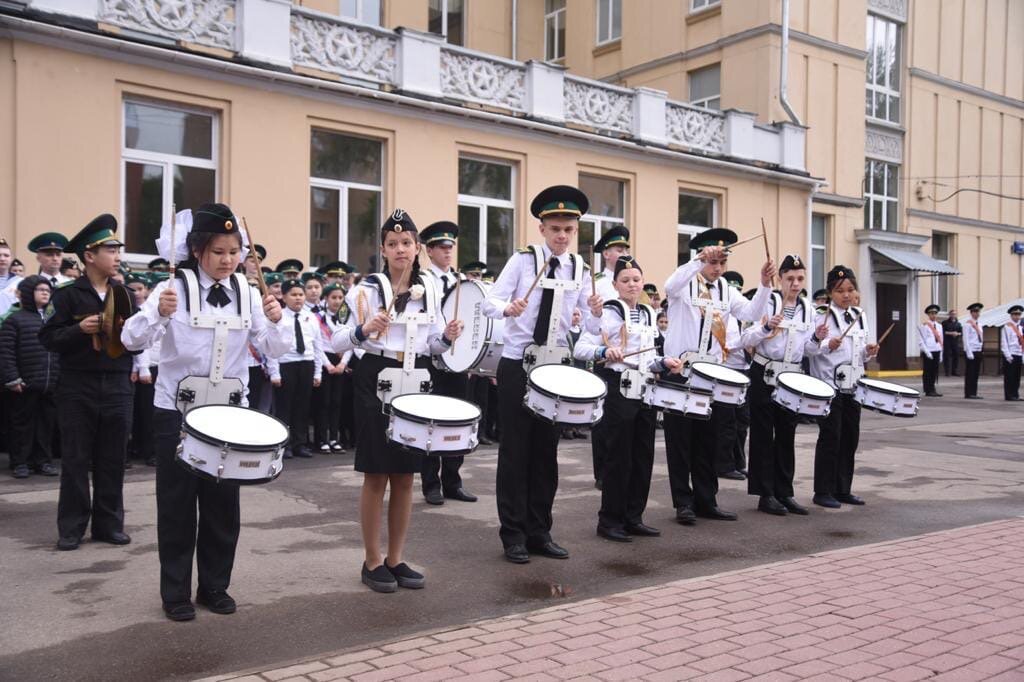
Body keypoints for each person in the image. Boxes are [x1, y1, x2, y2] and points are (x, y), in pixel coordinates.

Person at [121, 202, 289, 621]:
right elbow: (130, 339)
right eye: (219, 252)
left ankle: (215, 585)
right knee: (177, 506)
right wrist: (159, 314)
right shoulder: (172, 288)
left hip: (228, 415)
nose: (228, 260)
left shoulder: (249, 294)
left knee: (222, 505)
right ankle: (174, 592)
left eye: (234, 252)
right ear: (197, 251)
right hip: (176, 413)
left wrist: (276, 320)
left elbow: (274, 350)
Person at [330, 209, 462, 593]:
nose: (401, 249)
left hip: (417, 376)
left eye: (407, 243)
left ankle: (396, 558)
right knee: (377, 473)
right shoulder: (366, 289)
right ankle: (372, 560)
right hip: (376, 378)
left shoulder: (432, 288)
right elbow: (335, 341)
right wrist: (363, 329)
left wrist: (449, 337)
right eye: (393, 244)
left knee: (406, 475)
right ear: (383, 249)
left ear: (417, 247)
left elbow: (434, 344)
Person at [481, 185, 603, 564]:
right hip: (519, 364)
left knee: (546, 453)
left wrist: (596, 308)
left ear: (576, 231)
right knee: (516, 452)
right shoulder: (523, 261)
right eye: (555, 228)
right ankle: (513, 535)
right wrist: (508, 308)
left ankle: (540, 531)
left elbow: (591, 320)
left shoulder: (580, 268)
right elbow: (489, 302)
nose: (562, 236)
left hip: (556, 367)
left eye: (568, 229)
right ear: (542, 229)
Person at [661, 229, 774, 525]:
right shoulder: (685, 282)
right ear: (701, 257)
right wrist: (697, 262)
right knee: (680, 442)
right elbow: (670, 286)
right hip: (681, 372)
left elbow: (750, 311)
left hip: (712, 376)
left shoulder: (725, 288)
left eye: (722, 261)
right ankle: (682, 503)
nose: (718, 267)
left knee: (708, 442)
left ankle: (706, 500)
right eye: (714, 261)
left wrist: (763, 285)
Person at [39, 215, 136, 551]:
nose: (118, 255)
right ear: (89, 255)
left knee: (113, 458)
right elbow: (48, 337)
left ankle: (109, 525)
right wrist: (78, 330)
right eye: (110, 249)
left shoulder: (123, 294)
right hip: (77, 386)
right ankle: (72, 527)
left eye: (117, 249)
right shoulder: (66, 295)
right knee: (77, 459)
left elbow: (136, 338)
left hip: (117, 383)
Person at [575, 255, 677, 542]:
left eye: (636, 279)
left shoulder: (646, 313)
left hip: (644, 389)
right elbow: (582, 348)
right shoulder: (606, 314)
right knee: (618, 458)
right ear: (615, 284)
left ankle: (634, 517)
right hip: (618, 388)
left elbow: (650, 357)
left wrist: (665, 362)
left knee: (642, 456)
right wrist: (603, 353)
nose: (632, 285)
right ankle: (609, 521)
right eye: (625, 280)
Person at [741, 255, 823, 516]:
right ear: (780, 279)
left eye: (800, 279)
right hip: (764, 372)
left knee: (787, 434)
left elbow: (807, 349)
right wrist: (766, 327)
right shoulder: (768, 301)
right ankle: (765, 494)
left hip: (791, 377)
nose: (795, 284)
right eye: (790, 279)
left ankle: (785, 492)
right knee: (764, 436)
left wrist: (818, 339)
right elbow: (746, 338)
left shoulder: (808, 309)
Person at [807, 266, 878, 509]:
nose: (845, 295)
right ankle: (823, 490)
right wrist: (827, 344)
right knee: (831, 437)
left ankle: (843, 488)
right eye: (839, 291)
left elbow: (859, 353)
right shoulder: (820, 314)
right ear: (830, 293)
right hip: (829, 385)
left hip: (853, 385)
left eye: (850, 290)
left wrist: (868, 352)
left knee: (850, 437)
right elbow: (809, 349)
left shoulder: (859, 315)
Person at [419, 221, 477, 505]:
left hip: (457, 361)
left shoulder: (460, 281)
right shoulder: (422, 282)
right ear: (429, 251)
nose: (447, 252)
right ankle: (431, 483)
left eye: (450, 247)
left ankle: (453, 481)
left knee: (457, 421)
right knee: (431, 422)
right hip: (431, 360)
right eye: (441, 247)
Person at [0, 276, 60, 478]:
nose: (45, 293)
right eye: (40, 289)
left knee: (45, 425)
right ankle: (20, 462)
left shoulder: (53, 320)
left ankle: (42, 461)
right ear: (27, 293)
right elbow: (6, 352)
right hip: (24, 384)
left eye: (47, 290)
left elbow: (59, 350)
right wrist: (13, 378)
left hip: (49, 384)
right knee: (22, 425)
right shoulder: (15, 319)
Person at [268, 279, 322, 458]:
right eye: (293, 294)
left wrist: (318, 372)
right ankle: (285, 444)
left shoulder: (311, 317)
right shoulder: (279, 316)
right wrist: (274, 372)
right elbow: (271, 347)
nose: (298, 298)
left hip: (306, 364)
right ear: (284, 297)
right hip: (286, 364)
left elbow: (317, 346)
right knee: (285, 407)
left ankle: (300, 443)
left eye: (300, 294)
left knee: (302, 406)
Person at [313, 282, 350, 453]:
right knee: (323, 403)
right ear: (326, 299)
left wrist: (343, 364)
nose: (337, 301)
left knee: (337, 402)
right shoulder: (318, 317)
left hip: (341, 360)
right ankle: (322, 439)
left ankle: (334, 438)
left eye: (340, 298)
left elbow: (352, 343)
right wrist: (327, 365)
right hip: (324, 360)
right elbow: (317, 343)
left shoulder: (347, 317)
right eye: (333, 297)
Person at [126, 274, 158, 467]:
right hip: (136, 368)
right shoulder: (133, 310)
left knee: (149, 413)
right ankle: (136, 446)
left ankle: (150, 450)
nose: (136, 293)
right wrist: (139, 366)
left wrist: (144, 367)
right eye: (132, 289)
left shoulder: (151, 309)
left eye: (139, 288)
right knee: (136, 412)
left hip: (153, 366)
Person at [592, 226, 630, 302]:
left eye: (626, 251)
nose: (626, 255)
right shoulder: (597, 283)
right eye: (620, 251)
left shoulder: (632, 283)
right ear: (606, 254)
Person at [918, 304, 944, 397]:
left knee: (934, 371)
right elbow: (921, 340)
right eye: (931, 313)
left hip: (937, 350)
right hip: (929, 351)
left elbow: (941, 340)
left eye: (935, 313)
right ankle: (928, 389)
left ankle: (933, 388)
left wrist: (941, 352)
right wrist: (926, 351)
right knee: (928, 371)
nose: (933, 315)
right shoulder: (925, 326)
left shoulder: (939, 326)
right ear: (928, 315)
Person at [962, 302, 984, 399]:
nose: (977, 314)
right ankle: (968, 393)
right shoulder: (968, 324)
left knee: (975, 373)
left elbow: (981, 338)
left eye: (978, 312)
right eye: (975, 312)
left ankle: (974, 392)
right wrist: (968, 351)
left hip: (978, 350)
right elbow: (965, 339)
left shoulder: (979, 324)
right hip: (971, 351)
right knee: (970, 373)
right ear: (971, 313)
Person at [1002, 305, 1023, 401]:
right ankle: (1009, 395)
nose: (1017, 316)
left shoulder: (1020, 328)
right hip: (1010, 354)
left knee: (1017, 377)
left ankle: (1015, 394)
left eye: (1019, 314)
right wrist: (1008, 355)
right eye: (1015, 314)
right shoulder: (1007, 327)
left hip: (1018, 353)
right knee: (1009, 376)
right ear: (1011, 315)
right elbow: (1004, 342)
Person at [942, 309, 962, 377]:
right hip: (947, 342)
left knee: (956, 356)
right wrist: (951, 333)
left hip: (955, 342)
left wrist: (957, 334)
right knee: (947, 356)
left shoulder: (958, 324)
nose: (953, 315)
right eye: (952, 314)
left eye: (955, 314)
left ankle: (954, 371)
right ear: (949, 315)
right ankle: (947, 372)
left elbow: (961, 332)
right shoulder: (945, 323)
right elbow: (943, 332)